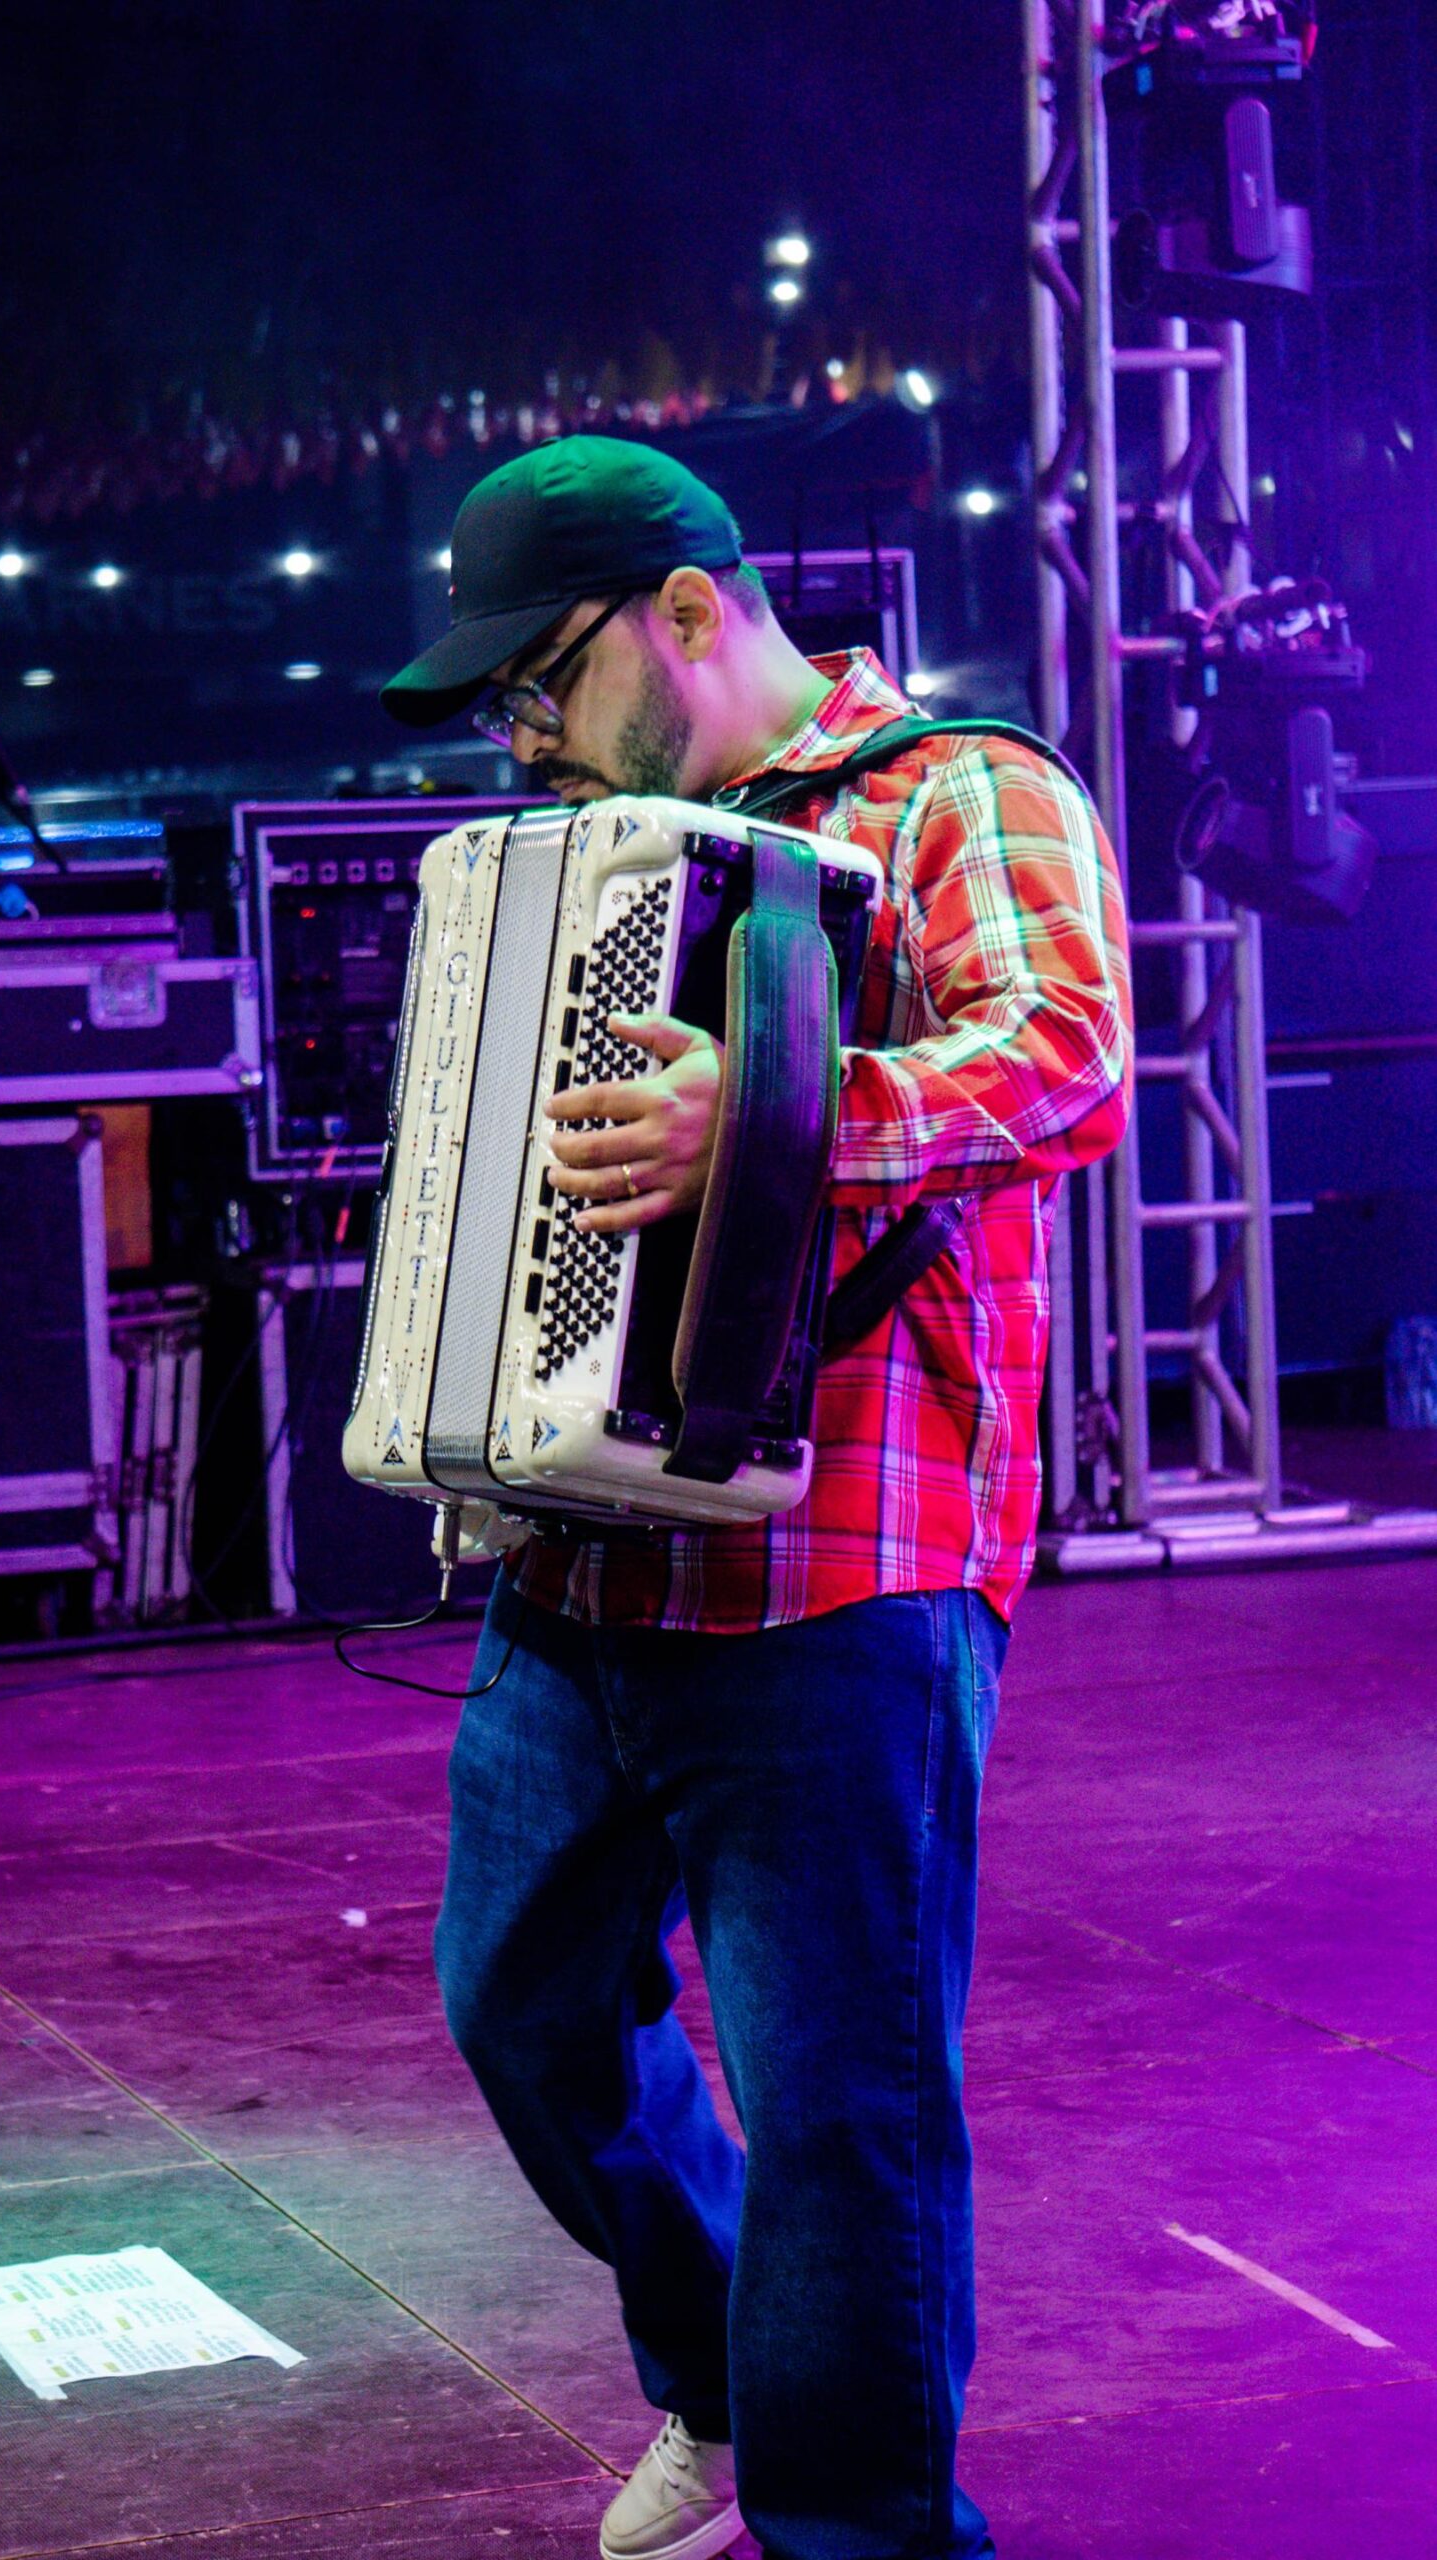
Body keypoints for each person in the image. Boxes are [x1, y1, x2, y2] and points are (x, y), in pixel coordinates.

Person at [380, 437, 1131, 2560]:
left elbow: (1070, 1052)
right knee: (521, 2008)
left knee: (840, 2108)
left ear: (689, 612)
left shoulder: (956, 788)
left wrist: (783, 1108)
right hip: (582, 1559)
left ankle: (859, 2528)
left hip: (843, 1564)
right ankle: (727, 2375)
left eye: (541, 682)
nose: (524, 736)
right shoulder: (578, 857)